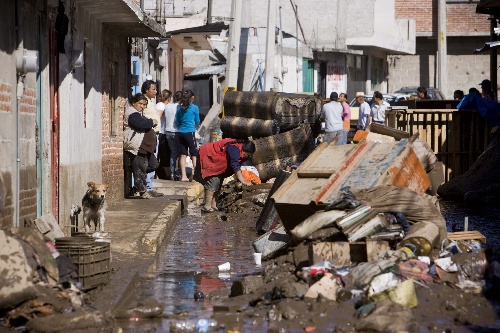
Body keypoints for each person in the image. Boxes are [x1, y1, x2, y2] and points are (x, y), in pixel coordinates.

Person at [195, 139, 255, 213]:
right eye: (248, 155)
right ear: (244, 150)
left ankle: (214, 205)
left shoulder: (239, 149)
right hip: (209, 156)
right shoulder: (234, 149)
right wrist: (242, 180)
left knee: (218, 182)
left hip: (217, 162)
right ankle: (207, 207)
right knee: (213, 182)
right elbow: (235, 165)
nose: (247, 157)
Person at [123, 93, 160, 199]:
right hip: (137, 146)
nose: (142, 106)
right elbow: (140, 124)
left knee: (153, 165)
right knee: (140, 167)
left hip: (145, 147)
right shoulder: (132, 113)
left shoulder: (138, 113)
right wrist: (151, 121)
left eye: (144, 105)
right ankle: (143, 192)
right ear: (134, 103)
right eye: (140, 104)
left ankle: (136, 177)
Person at [175, 89, 200, 182]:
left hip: (180, 133)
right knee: (194, 154)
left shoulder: (179, 108)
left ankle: (184, 176)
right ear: (192, 98)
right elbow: (197, 121)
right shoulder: (194, 108)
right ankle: (196, 176)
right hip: (190, 132)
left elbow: (177, 122)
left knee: (183, 154)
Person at [157, 89, 181, 181]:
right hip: (163, 132)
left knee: (167, 154)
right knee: (167, 155)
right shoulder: (162, 106)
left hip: (165, 132)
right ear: (169, 98)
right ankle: (167, 174)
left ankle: (168, 174)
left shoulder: (164, 106)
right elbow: (158, 117)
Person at [141, 80, 159, 191]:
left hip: (154, 135)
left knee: (153, 162)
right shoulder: (143, 102)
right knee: (150, 162)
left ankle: (149, 185)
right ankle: (147, 187)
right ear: (146, 90)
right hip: (148, 136)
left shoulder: (150, 101)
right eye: (153, 89)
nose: (156, 91)